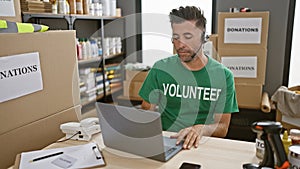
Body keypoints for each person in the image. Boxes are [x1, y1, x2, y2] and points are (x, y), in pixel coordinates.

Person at [138, 6, 239, 150]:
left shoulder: (224, 76)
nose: (180, 45)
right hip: (167, 143)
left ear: (204, 38)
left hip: (202, 145)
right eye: (176, 38)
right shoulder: (160, 69)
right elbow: (146, 112)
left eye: (188, 37)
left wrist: (201, 129)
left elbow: (222, 128)